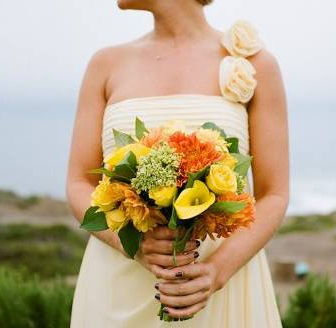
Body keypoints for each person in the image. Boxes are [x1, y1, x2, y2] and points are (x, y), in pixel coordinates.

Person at [66, 0, 289, 326]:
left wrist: (215, 272)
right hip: (118, 287)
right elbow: (78, 183)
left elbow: (274, 194)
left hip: (218, 288)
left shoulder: (254, 64)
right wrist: (135, 246)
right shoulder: (105, 64)